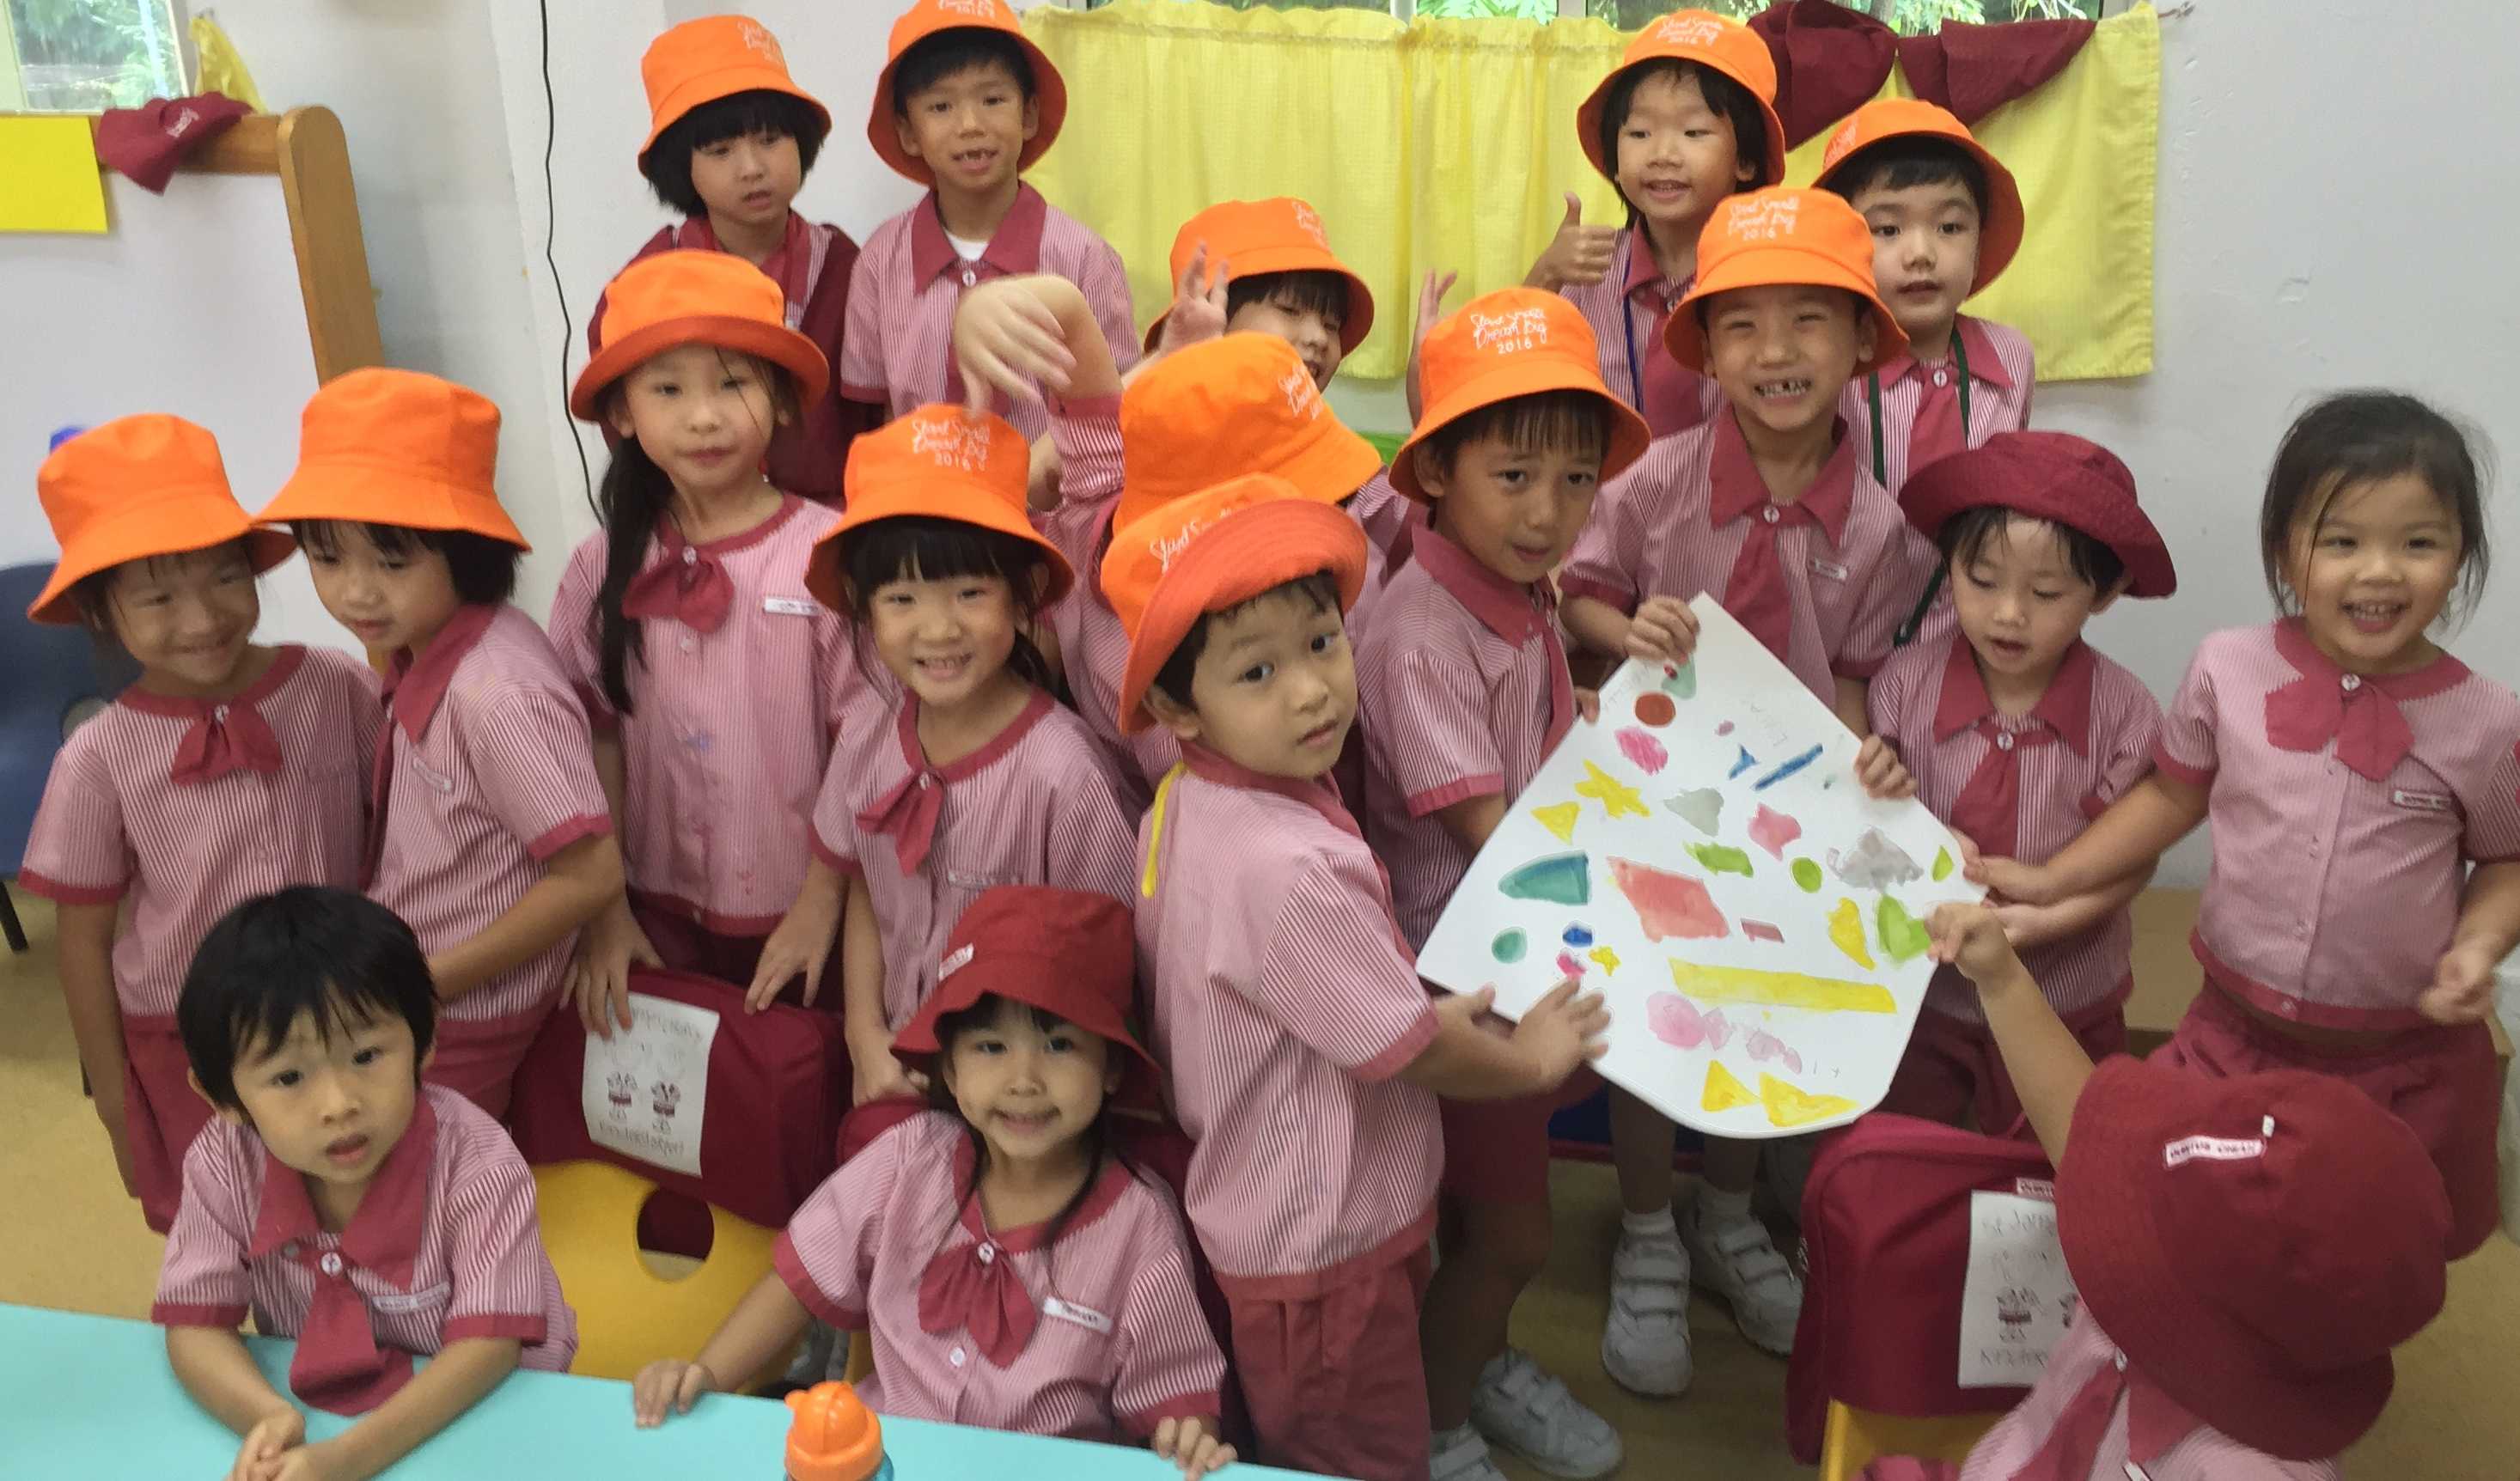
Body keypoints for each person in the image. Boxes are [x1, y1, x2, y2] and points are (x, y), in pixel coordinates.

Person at [1111, 473, 1611, 1480]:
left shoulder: (1185, 799)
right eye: (1256, 671)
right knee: (1353, 1449)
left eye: (1320, 641)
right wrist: (1528, 1060)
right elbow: (1408, 1046)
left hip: (1273, 1212)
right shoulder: (1287, 865)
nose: (1310, 689)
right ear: (1176, 706)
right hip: (1326, 1239)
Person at [1975, 391, 2520, 1257]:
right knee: (2209, 1237)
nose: (2378, 571)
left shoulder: (2487, 721)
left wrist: (2478, 947)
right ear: (2282, 552)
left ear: (2460, 558)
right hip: (2232, 1036)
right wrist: (2051, 877)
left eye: (2418, 542)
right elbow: (2169, 796)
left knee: (2364, 1255)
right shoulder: (2227, 668)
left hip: (2400, 1058)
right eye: (2340, 541)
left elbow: (2503, 861)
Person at [629, 886, 1234, 1478]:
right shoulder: (907, 1159)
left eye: (1059, 1045)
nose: (1024, 1080)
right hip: (880, 1462)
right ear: (950, 1067)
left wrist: (1188, 1439)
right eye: (991, 1047)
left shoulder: (1140, 1223)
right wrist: (706, 1373)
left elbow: (1177, 1401)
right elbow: (797, 1280)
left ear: (1111, 1068)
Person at [1356, 287, 1651, 1481]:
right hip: (1463, 979)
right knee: (1512, 1232)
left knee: (1483, 1225)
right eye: (1515, 475)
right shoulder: (1418, 630)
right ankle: (1434, 1425)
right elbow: (1494, 828)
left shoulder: (1520, 594)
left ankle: (1467, 1363)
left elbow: (1542, 750)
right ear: (1435, 473)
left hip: (1525, 946)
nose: (1548, 512)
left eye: (1576, 481)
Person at [19, 415, 378, 1233]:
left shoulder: (335, 688)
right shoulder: (100, 758)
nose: (201, 617)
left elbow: (394, 831)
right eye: (158, 598)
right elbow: (83, 943)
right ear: (101, 612)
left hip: (343, 1011)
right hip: (189, 1044)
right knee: (234, 1226)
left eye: (224, 577)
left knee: (359, 1203)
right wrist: (115, 1103)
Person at [257, 369, 623, 1116]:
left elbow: (590, 874)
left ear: (467, 549)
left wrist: (425, 983)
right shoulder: (426, 650)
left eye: (392, 562)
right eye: (328, 558)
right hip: (417, 977)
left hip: (463, 1009)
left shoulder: (498, 696)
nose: (356, 592)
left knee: (425, 1167)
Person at [553, 250, 876, 1030]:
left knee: (799, 1074)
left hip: (806, 911)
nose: (703, 417)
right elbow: (591, 737)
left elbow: (866, 740)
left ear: (781, 401)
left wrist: (820, 900)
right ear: (622, 414)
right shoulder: (600, 566)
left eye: (732, 384)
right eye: (667, 390)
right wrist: (605, 910)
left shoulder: (827, 554)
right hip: (650, 913)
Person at [155, 887, 575, 1481]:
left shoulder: (479, 1163)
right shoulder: (224, 1163)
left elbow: (490, 1347)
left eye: (367, 1055)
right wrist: (268, 1416)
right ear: (222, 1097)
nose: (338, 1104)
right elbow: (196, 1325)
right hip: (324, 1417)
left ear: (424, 1041)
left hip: (495, 1414)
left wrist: (346, 1460)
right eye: (289, 1077)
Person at [1866, 433, 2173, 1131]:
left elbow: (2134, 857)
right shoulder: (1903, 685)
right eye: (1981, 580)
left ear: (2105, 592)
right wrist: (1902, 812)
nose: (2008, 613)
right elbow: (1866, 822)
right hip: (1922, 992)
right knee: (1911, 1149)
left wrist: (2047, 920)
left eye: (2044, 592)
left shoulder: (2125, 713)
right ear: (1948, 565)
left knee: (2062, 1155)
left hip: (2065, 995)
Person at [592, 15, 876, 502]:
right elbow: (623, 415)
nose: (752, 168)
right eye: (720, 151)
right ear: (681, 167)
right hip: (695, 522)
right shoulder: (647, 281)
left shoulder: (847, 267)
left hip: (833, 522)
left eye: (770, 140)